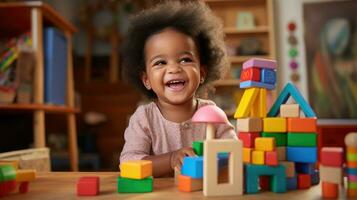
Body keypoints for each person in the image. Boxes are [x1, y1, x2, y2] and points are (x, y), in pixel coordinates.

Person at [120, 0, 237, 177]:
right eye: (160, 62)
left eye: (185, 59)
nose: (174, 69)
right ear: (146, 79)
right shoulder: (144, 119)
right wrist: (171, 159)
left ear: (202, 72)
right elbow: (128, 164)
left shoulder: (212, 114)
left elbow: (235, 152)